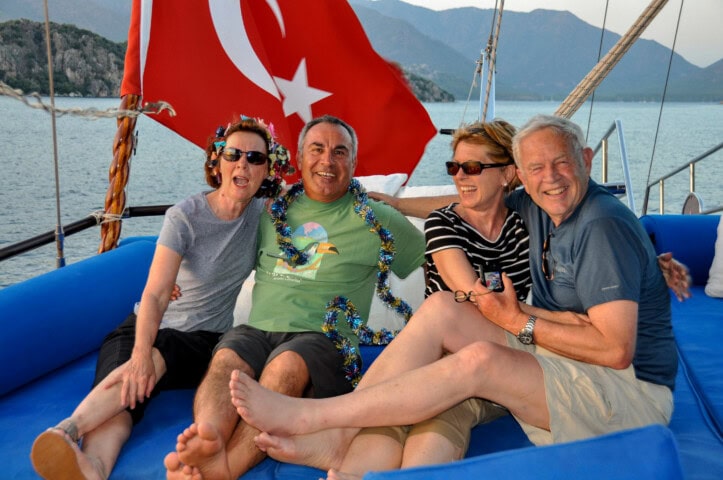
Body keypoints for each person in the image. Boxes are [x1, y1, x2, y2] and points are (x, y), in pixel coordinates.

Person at [226, 114, 680, 476]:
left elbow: (615, 350)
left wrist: (519, 318)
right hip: (568, 359)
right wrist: (398, 204)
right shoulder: (542, 204)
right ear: (521, 177)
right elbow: (464, 203)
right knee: (443, 307)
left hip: (623, 393)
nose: (551, 178)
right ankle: (341, 435)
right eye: (537, 169)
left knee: (475, 365)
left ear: (586, 159)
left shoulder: (599, 225)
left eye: (561, 163)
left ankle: (319, 420)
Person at [163, 115, 425, 480]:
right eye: (317, 149)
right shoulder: (268, 209)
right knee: (226, 359)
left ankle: (225, 469)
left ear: (353, 162)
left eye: (340, 152)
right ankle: (208, 441)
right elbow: (217, 236)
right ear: (299, 158)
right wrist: (172, 278)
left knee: (285, 365)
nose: (327, 160)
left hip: (323, 340)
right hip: (258, 330)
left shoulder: (377, 219)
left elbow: (436, 256)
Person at [29, 117, 289, 480]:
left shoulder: (263, 214)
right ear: (217, 162)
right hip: (145, 326)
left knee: (152, 360)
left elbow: (313, 195)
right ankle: (94, 467)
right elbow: (154, 293)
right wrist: (138, 354)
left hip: (201, 340)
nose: (243, 164)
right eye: (233, 154)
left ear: (266, 171)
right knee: (129, 389)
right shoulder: (185, 216)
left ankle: (66, 429)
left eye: (255, 158)